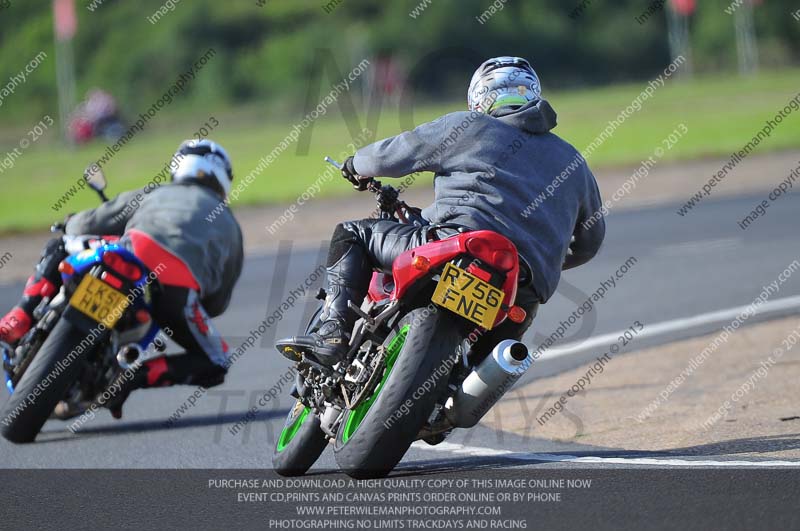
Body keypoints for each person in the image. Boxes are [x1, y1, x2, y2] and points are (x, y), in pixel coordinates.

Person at [277, 56, 605, 365]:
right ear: (532, 94)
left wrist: (355, 164)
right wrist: (540, 257)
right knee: (488, 361)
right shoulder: (573, 161)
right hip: (522, 289)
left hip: (454, 247)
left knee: (352, 234)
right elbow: (590, 241)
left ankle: (334, 333)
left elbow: (393, 155)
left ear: (480, 98)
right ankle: (459, 393)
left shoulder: (469, 126)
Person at [0, 139, 244, 419]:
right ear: (222, 178)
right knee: (217, 361)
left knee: (59, 245)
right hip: (174, 290)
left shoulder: (158, 192)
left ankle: (21, 313)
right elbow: (218, 301)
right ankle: (130, 378)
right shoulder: (231, 225)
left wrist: (70, 221)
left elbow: (85, 224)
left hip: (129, 253)